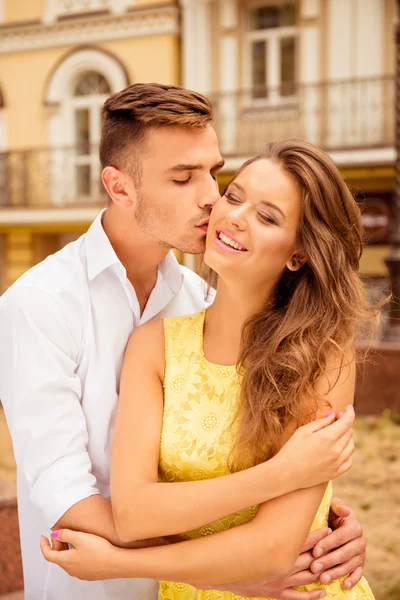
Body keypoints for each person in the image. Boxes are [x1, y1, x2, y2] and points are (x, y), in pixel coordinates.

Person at [0, 84, 365, 600]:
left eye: (213, 172)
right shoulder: (37, 305)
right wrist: (237, 567)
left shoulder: (204, 299)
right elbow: (65, 495)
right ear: (120, 187)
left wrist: (316, 531)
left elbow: (271, 461)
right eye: (182, 177)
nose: (212, 197)